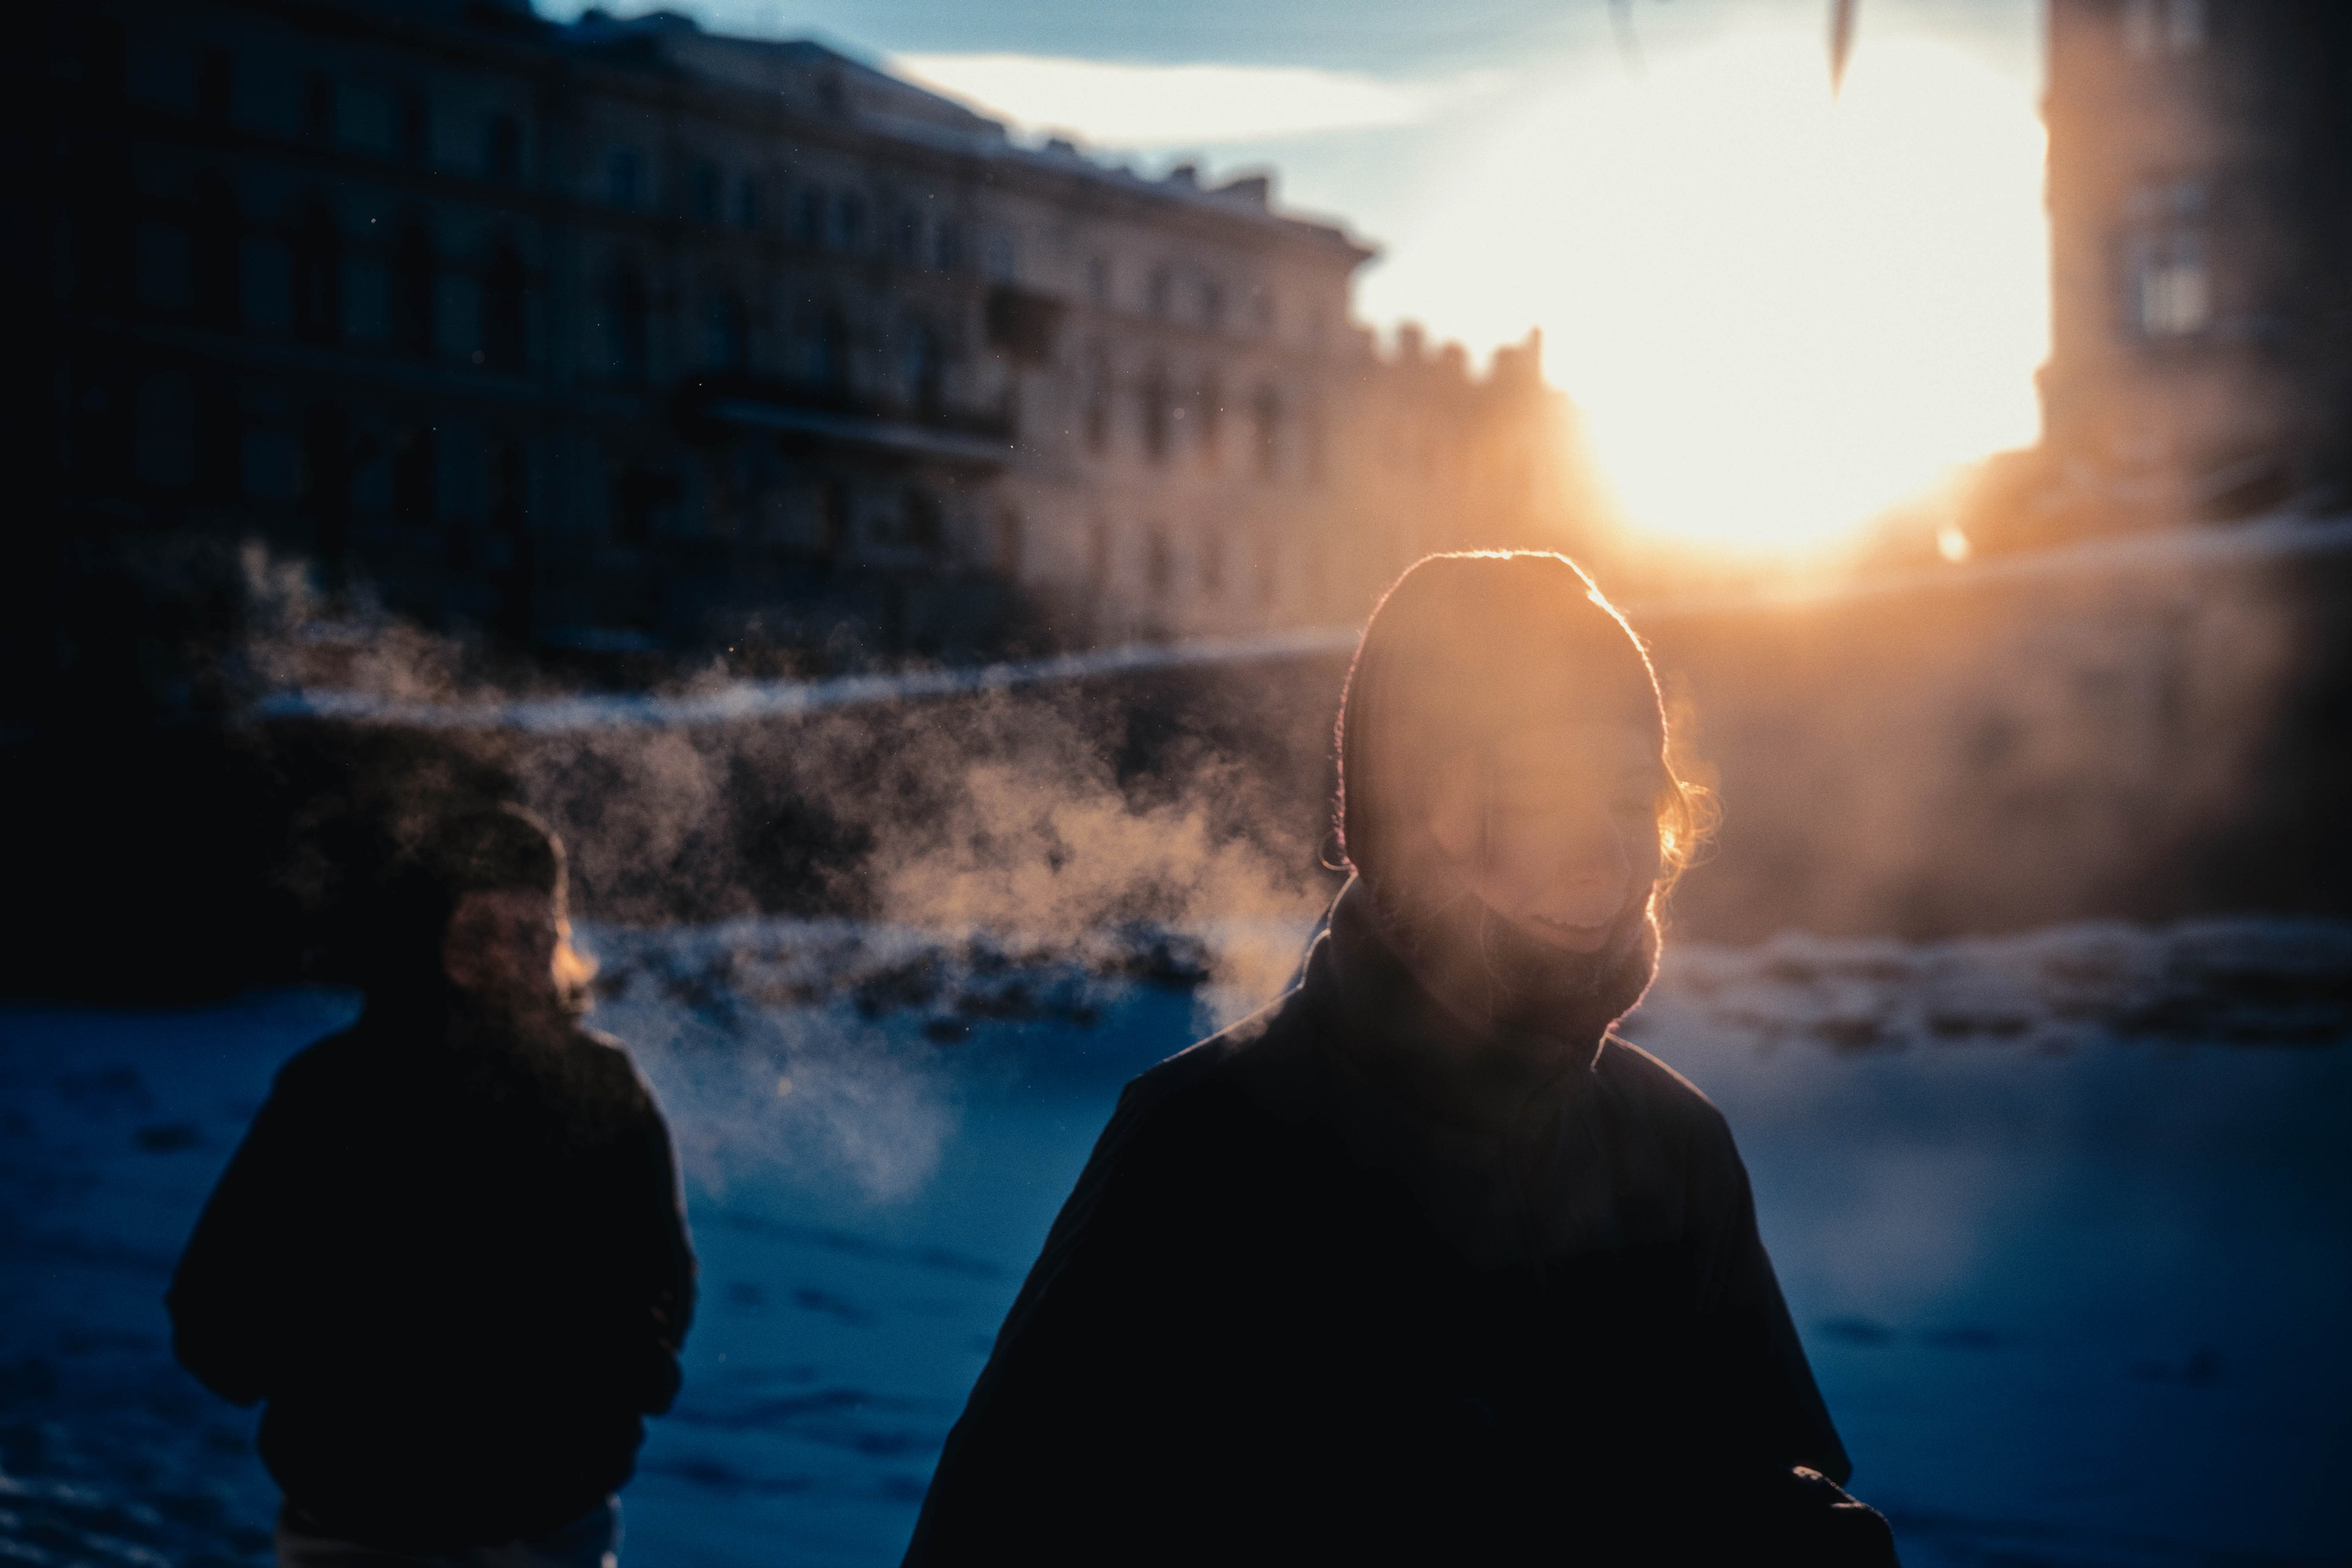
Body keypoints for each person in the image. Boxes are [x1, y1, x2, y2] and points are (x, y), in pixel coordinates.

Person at [904, 552, 1896, 1565]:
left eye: (1633, 798)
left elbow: (1754, 1484)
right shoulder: (1206, 1146)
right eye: (1537, 800)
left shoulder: (1676, 1148)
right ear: (1409, 826)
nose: (1604, 856)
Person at [169, 804, 696, 1566]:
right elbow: (215, 1307)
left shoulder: (602, 1087)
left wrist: (619, 1383)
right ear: (424, 937)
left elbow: (660, 1278)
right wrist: (343, 1383)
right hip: (361, 1529)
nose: (509, 959)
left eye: (534, 934)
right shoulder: (335, 1090)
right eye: (479, 933)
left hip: (550, 1526)